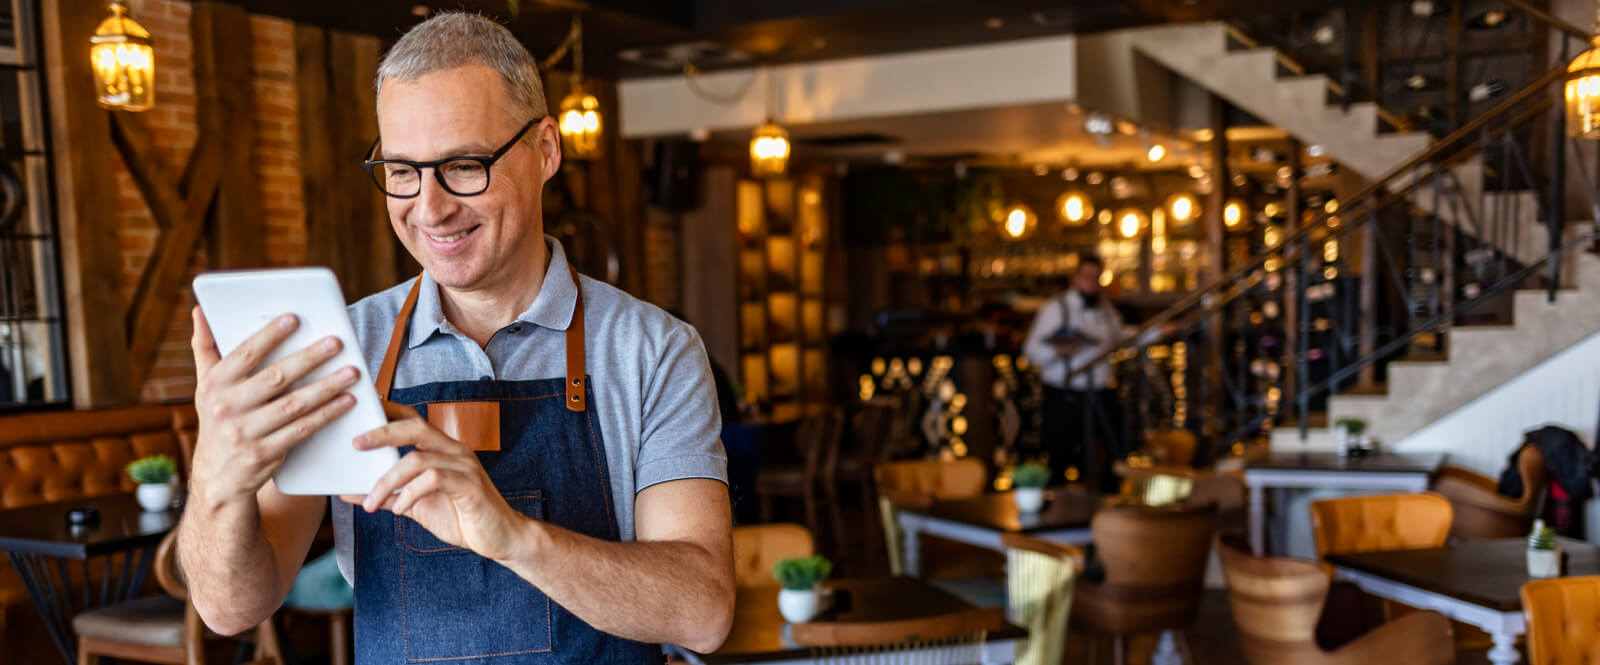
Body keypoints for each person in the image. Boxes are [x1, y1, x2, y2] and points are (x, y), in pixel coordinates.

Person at [177, 12, 734, 663]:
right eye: (403, 170)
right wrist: (218, 477)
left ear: (546, 150)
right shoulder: (340, 347)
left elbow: (704, 610)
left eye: (465, 166)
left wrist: (512, 536)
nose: (431, 207)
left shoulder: (651, 350)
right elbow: (231, 606)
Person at [1022, 253, 1142, 493]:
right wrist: (1060, 351)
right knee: (1060, 458)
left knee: (1117, 448)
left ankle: (1106, 506)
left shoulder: (1105, 307)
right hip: (1064, 393)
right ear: (1074, 278)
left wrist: (1157, 332)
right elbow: (1031, 351)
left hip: (1100, 391)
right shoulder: (1056, 308)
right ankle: (1056, 518)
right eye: (1087, 277)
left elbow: (1121, 336)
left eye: (1097, 278)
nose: (1092, 283)